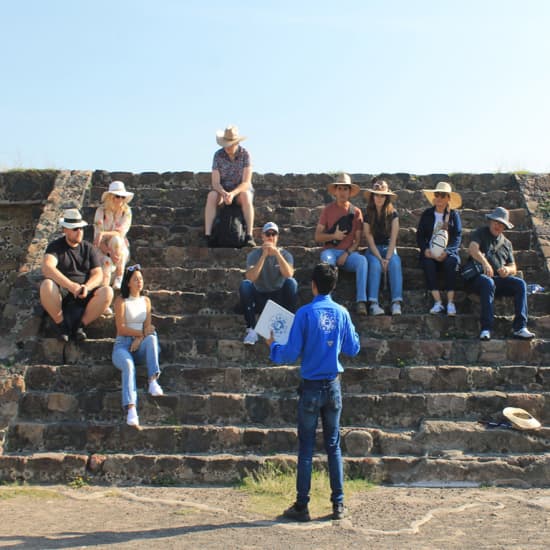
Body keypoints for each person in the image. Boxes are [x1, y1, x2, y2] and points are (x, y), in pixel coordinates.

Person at [265, 263, 360, 522]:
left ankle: (302, 504)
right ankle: (338, 503)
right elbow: (353, 348)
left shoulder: (305, 314)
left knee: (306, 447)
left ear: (313, 285)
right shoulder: (342, 313)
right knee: (333, 445)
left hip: (310, 387)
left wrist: (273, 346)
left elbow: (289, 352)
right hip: (333, 385)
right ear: (334, 285)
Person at [40, 208, 114, 342]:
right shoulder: (56, 246)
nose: (79, 231)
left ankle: (79, 326)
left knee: (107, 292)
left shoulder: (88, 248)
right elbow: (47, 267)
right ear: (65, 230)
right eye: (75, 229)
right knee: (47, 285)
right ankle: (62, 325)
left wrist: (87, 287)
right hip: (63, 291)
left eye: (81, 228)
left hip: (84, 292)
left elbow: (98, 274)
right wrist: (71, 286)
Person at [466, 206, 535, 341]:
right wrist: (485, 263)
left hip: (497, 280)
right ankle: (486, 328)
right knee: (487, 282)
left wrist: (507, 270)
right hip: (478, 279)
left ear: (504, 227)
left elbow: (513, 266)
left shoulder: (507, 244)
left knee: (520, 284)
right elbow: (472, 249)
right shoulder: (481, 233)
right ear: (490, 221)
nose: (498, 226)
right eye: (496, 222)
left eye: (501, 224)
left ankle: (520, 327)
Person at [112, 264, 164, 427]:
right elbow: (121, 328)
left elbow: (147, 328)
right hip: (122, 345)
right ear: (128, 283)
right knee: (128, 365)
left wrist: (141, 338)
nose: (139, 282)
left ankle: (153, 379)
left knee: (153, 338)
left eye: (141, 279)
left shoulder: (146, 301)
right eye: (136, 279)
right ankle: (131, 408)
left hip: (138, 344)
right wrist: (139, 335)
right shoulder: (121, 300)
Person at [315, 173, 368, 315]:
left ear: (350, 192)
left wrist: (347, 253)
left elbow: (357, 240)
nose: (342, 192)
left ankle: (361, 301)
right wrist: (334, 236)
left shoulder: (356, 212)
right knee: (327, 260)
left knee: (362, 261)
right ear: (336, 191)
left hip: (348, 253)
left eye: (346, 189)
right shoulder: (327, 210)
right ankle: (327, 300)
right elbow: (318, 236)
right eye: (340, 188)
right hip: (330, 251)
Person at [239, 222, 298, 345]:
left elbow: (289, 274)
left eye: (274, 234)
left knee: (291, 283)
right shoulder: (254, 255)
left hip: (278, 297)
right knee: (245, 285)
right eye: (268, 234)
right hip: (260, 296)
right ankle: (251, 330)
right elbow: (251, 277)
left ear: (277, 237)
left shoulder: (286, 255)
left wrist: (277, 254)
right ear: (262, 236)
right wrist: (263, 256)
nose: (271, 237)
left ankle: (289, 328)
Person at [203, 125, 255, 247]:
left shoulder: (245, 154)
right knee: (211, 196)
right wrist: (224, 193)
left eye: (230, 144)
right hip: (223, 191)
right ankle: (207, 235)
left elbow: (246, 182)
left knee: (246, 196)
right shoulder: (218, 155)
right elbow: (215, 182)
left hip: (239, 191)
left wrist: (232, 193)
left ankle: (249, 235)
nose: (227, 147)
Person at [416, 181, 462, 315]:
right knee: (427, 263)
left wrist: (447, 252)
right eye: (437, 195)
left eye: (443, 196)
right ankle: (438, 302)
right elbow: (420, 235)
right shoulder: (427, 214)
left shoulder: (454, 215)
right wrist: (425, 250)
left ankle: (450, 303)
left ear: (448, 198)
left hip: (447, 254)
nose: (439, 198)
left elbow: (457, 237)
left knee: (451, 263)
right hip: (430, 252)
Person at [363, 179, 403, 315]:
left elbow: (393, 239)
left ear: (386, 197)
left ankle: (396, 303)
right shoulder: (367, 214)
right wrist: (381, 259)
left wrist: (387, 258)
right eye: (376, 195)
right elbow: (369, 239)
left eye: (382, 195)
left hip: (388, 248)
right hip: (374, 249)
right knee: (374, 264)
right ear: (373, 196)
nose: (379, 198)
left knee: (395, 262)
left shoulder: (393, 214)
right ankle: (373, 304)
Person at [93, 180, 133, 291]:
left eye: (122, 197)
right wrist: (109, 253)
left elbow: (120, 232)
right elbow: (97, 240)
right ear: (111, 197)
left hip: (119, 247)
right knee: (107, 262)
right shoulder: (101, 211)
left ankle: (119, 276)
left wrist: (104, 233)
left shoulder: (127, 211)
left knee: (116, 240)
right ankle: (105, 291)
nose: (120, 199)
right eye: (117, 196)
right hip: (102, 248)